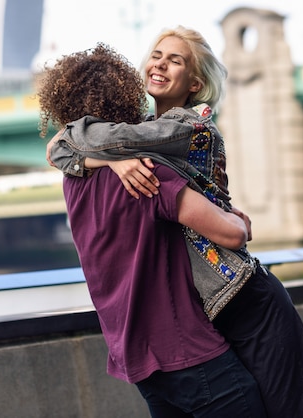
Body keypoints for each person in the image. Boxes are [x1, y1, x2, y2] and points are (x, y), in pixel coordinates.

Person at [40, 29, 303, 418]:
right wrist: (108, 159)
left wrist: (92, 148)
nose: (161, 64)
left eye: (176, 60)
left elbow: (71, 145)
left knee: (298, 413)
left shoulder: (184, 128)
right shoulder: (134, 147)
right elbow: (63, 149)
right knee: (278, 405)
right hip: (211, 303)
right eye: (156, 55)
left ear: (195, 83)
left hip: (242, 292)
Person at [39, 43, 268, 417]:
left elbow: (58, 149)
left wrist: (109, 160)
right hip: (188, 351)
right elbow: (230, 236)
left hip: (137, 360)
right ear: (127, 97)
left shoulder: (74, 176)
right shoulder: (148, 175)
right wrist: (236, 218)